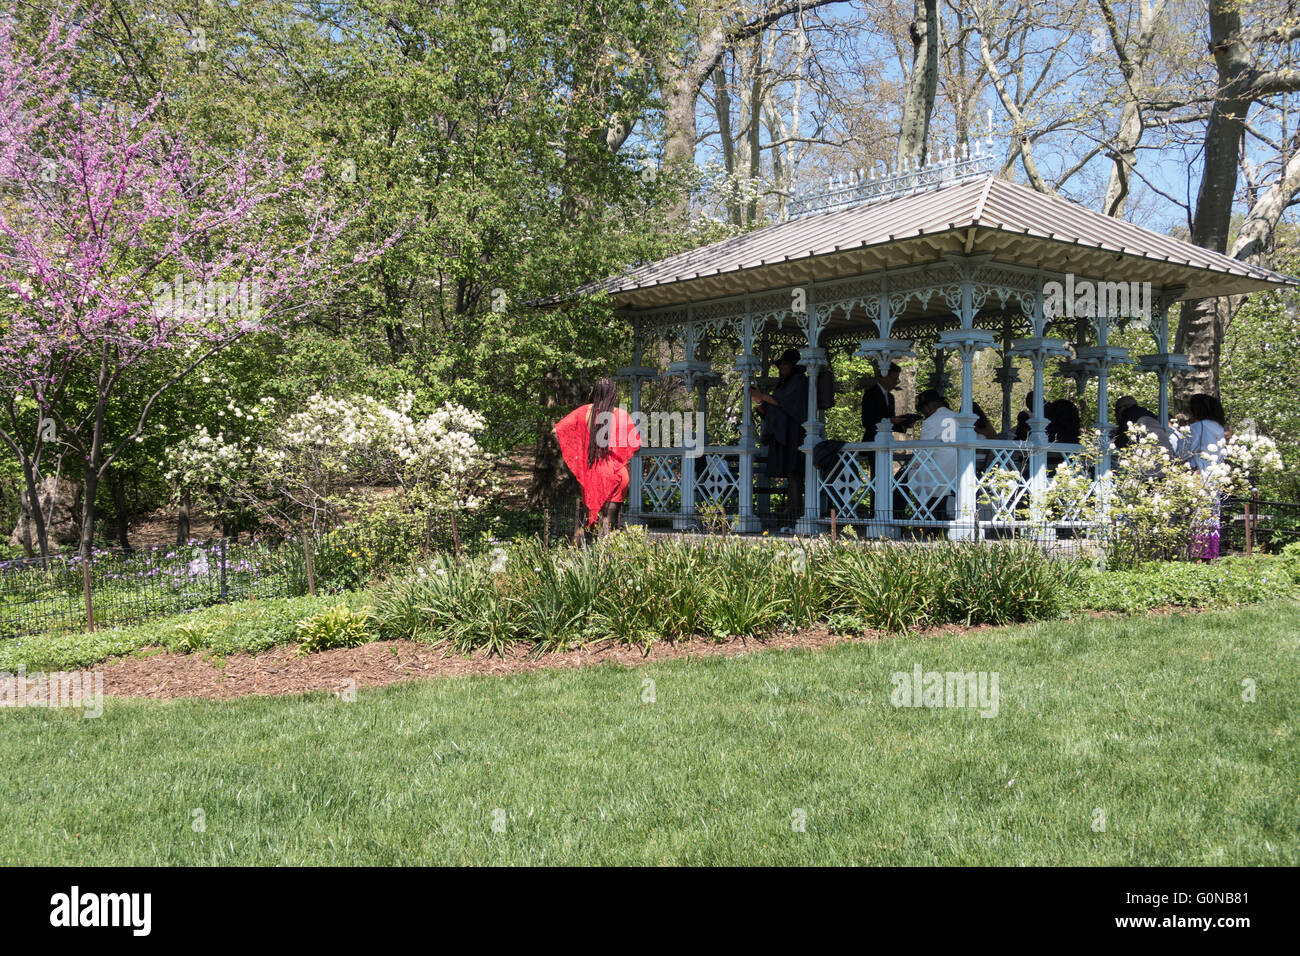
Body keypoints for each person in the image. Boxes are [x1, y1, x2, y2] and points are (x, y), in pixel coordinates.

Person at [554, 378, 642, 537]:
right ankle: (605, 558)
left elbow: (557, 431)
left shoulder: (583, 412)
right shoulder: (621, 414)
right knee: (608, 522)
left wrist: (579, 450)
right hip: (617, 473)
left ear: (594, 391)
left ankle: (585, 557)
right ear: (613, 394)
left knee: (590, 522)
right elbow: (635, 446)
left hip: (593, 473)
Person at [751, 347, 809, 524]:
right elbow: (770, 409)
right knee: (790, 473)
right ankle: (791, 510)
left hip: (795, 433)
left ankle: (795, 511)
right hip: (783, 433)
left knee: (794, 472)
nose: (782, 367)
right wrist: (758, 400)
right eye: (781, 364)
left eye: (785, 364)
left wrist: (762, 396)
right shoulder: (784, 382)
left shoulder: (799, 381)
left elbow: (783, 402)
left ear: (793, 365)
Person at [1178, 393, 1229, 560]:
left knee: (1197, 515)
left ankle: (1197, 554)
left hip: (1198, 474)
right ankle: (1210, 552)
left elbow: (1184, 451)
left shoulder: (1197, 427)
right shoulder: (1219, 427)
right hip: (1215, 475)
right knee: (1212, 516)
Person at [904, 389, 958, 521]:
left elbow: (923, 451)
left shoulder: (930, 421)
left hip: (937, 472)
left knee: (901, 480)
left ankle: (898, 517)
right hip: (957, 470)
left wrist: (910, 466)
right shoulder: (958, 417)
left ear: (927, 408)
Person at [861, 362, 914, 443]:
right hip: (872, 440)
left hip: (887, 440)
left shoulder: (890, 397)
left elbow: (891, 423)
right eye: (894, 378)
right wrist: (890, 420)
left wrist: (904, 423)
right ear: (885, 377)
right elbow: (867, 421)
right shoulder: (871, 394)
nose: (896, 382)